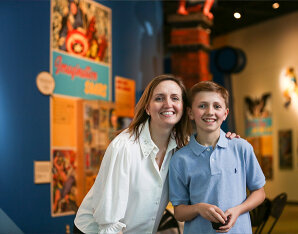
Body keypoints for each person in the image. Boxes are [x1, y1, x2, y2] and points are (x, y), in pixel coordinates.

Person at [74, 75, 238, 234]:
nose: (168, 104)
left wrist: (228, 141)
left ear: (184, 109)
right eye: (159, 98)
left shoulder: (183, 146)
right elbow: (109, 222)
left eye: (175, 98)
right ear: (147, 107)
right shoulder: (124, 147)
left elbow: (209, 152)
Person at [169, 81, 266, 233]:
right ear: (190, 113)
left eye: (217, 106)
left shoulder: (242, 148)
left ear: (225, 113)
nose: (210, 112)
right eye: (202, 106)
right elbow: (179, 212)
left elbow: (259, 192)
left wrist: (239, 210)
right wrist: (199, 208)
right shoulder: (180, 159)